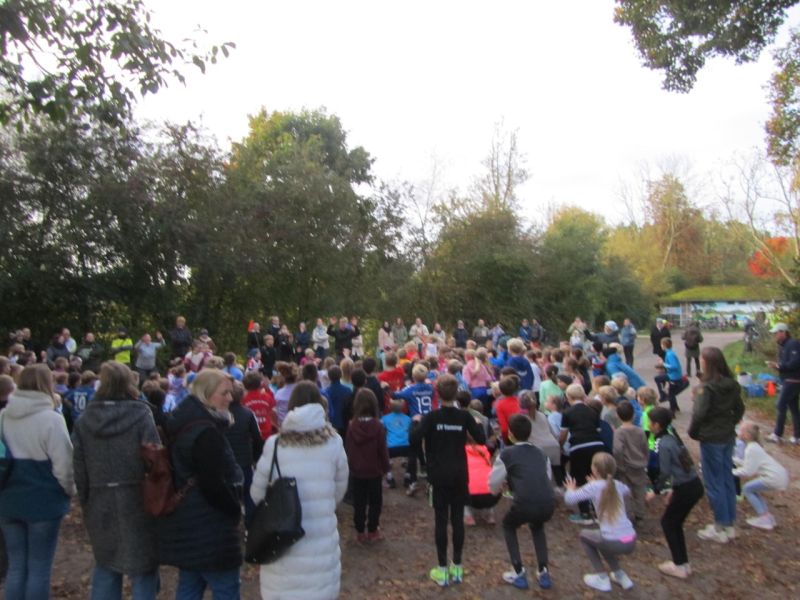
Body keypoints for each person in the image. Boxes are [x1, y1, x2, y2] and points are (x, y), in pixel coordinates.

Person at [251, 381, 349, 600]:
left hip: (281, 539)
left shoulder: (275, 444)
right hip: (320, 540)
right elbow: (339, 489)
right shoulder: (334, 443)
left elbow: (257, 493)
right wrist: (322, 504)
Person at [72, 361, 161, 599]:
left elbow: (79, 466)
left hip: (100, 497)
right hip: (136, 496)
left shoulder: (85, 419)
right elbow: (154, 457)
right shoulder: (141, 414)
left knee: (106, 563)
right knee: (143, 567)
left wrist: (85, 499)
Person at [157, 369, 244, 599]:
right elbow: (212, 484)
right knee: (225, 587)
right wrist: (234, 509)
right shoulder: (205, 432)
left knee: (190, 582)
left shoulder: (185, 422)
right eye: (224, 393)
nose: (230, 398)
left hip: (188, 518)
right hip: (210, 524)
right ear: (206, 394)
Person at [0, 364, 75, 599]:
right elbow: (64, 465)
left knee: (16, 566)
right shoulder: (52, 419)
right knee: (39, 567)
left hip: (8, 499)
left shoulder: (3, 417)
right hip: (43, 501)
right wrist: (69, 490)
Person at [409, 374, 485, 587]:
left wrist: (415, 423)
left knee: (441, 520)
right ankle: (457, 566)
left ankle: (442, 569)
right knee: (457, 519)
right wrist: (478, 424)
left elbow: (413, 439)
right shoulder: (464, 416)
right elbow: (481, 438)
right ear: (456, 393)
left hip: (438, 475)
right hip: (459, 474)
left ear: (437, 393)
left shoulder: (431, 417)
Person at [490, 414, 555, 591]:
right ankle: (543, 571)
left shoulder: (507, 454)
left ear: (510, 434)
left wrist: (496, 491)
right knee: (538, 526)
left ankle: (518, 571)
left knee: (508, 525)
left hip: (525, 501)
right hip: (547, 501)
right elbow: (547, 476)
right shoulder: (541, 453)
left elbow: (494, 481)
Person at [688, 346, 744, 544]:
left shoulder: (706, 388)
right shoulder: (732, 385)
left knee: (714, 482)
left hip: (711, 437)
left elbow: (699, 414)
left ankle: (720, 525)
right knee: (727, 478)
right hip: (727, 436)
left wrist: (693, 432)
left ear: (707, 363)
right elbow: (739, 409)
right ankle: (729, 523)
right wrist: (730, 423)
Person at [646, 407, 705, 579]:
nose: (648, 424)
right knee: (674, 523)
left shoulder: (663, 443)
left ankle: (679, 565)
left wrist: (655, 490)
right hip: (692, 484)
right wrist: (673, 488)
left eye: (650, 422)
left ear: (657, 425)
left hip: (686, 488)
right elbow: (684, 464)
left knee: (668, 523)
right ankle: (683, 564)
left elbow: (664, 471)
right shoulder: (673, 437)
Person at [564, 453, 636, 593]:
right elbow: (626, 491)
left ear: (595, 469)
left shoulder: (594, 487)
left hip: (613, 540)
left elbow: (569, 499)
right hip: (631, 539)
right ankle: (620, 575)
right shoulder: (617, 485)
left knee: (584, 536)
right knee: (599, 539)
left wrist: (570, 489)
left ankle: (602, 577)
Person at [345, 389, 390, 542]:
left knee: (359, 501)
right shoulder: (378, 426)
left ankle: (360, 530)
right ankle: (372, 529)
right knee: (375, 501)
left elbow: (349, 448)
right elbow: (382, 449)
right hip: (374, 469)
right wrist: (386, 467)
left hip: (357, 470)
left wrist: (350, 464)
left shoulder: (352, 426)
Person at [560, 383, 605, 524]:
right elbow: (598, 430)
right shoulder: (592, 411)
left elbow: (564, 433)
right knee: (596, 476)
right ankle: (599, 510)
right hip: (597, 445)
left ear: (568, 397)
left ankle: (585, 512)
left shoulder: (567, 413)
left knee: (579, 478)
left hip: (578, 446)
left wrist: (560, 445)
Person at [733, 421, 789, 530]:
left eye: (741, 430)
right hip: (779, 476)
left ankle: (764, 517)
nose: (738, 432)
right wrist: (733, 460)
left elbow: (748, 471)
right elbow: (748, 463)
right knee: (752, 490)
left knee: (747, 489)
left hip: (773, 478)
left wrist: (731, 472)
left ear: (747, 435)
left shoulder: (751, 449)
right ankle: (767, 516)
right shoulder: (754, 446)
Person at [391, 363, 435, 496]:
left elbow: (395, 396)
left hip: (416, 421)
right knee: (431, 451)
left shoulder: (410, 389)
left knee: (412, 451)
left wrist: (386, 389)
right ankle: (430, 482)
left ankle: (412, 482)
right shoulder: (430, 388)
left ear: (414, 377)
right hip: (429, 420)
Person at [612, 401, 649, 523]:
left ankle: (627, 515)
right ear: (633, 415)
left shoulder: (619, 432)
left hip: (625, 467)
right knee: (640, 490)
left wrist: (620, 465)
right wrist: (645, 459)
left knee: (625, 492)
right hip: (640, 465)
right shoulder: (640, 431)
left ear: (618, 416)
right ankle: (640, 514)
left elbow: (617, 450)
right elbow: (645, 447)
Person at [765, 322, 800, 444]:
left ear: (783, 332)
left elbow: (796, 362)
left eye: (776, 333)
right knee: (794, 408)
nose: (774, 335)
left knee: (780, 405)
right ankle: (797, 436)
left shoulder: (793, 344)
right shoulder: (783, 346)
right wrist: (777, 366)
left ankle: (777, 434)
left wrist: (779, 366)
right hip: (787, 380)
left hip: (793, 380)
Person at [381, 398, 412, 488]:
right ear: (402, 407)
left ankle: (390, 478)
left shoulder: (385, 418)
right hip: (406, 446)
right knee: (411, 459)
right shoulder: (408, 418)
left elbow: (381, 429)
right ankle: (407, 477)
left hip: (391, 447)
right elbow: (410, 431)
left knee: (385, 459)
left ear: (390, 407)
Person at [654, 338, 688, 414]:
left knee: (670, 392)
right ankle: (675, 407)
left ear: (664, 345)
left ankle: (667, 401)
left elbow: (674, 366)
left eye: (661, 344)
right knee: (670, 391)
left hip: (674, 376)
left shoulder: (670, 354)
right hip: (672, 375)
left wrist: (663, 364)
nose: (661, 346)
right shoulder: (669, 353)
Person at [494, 375, 523, 445]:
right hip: (524, 433)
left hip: (511, 437)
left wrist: (505, 440)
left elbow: (504, 428)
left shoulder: (499, 405)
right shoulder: (520, 401)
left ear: (501, 391)